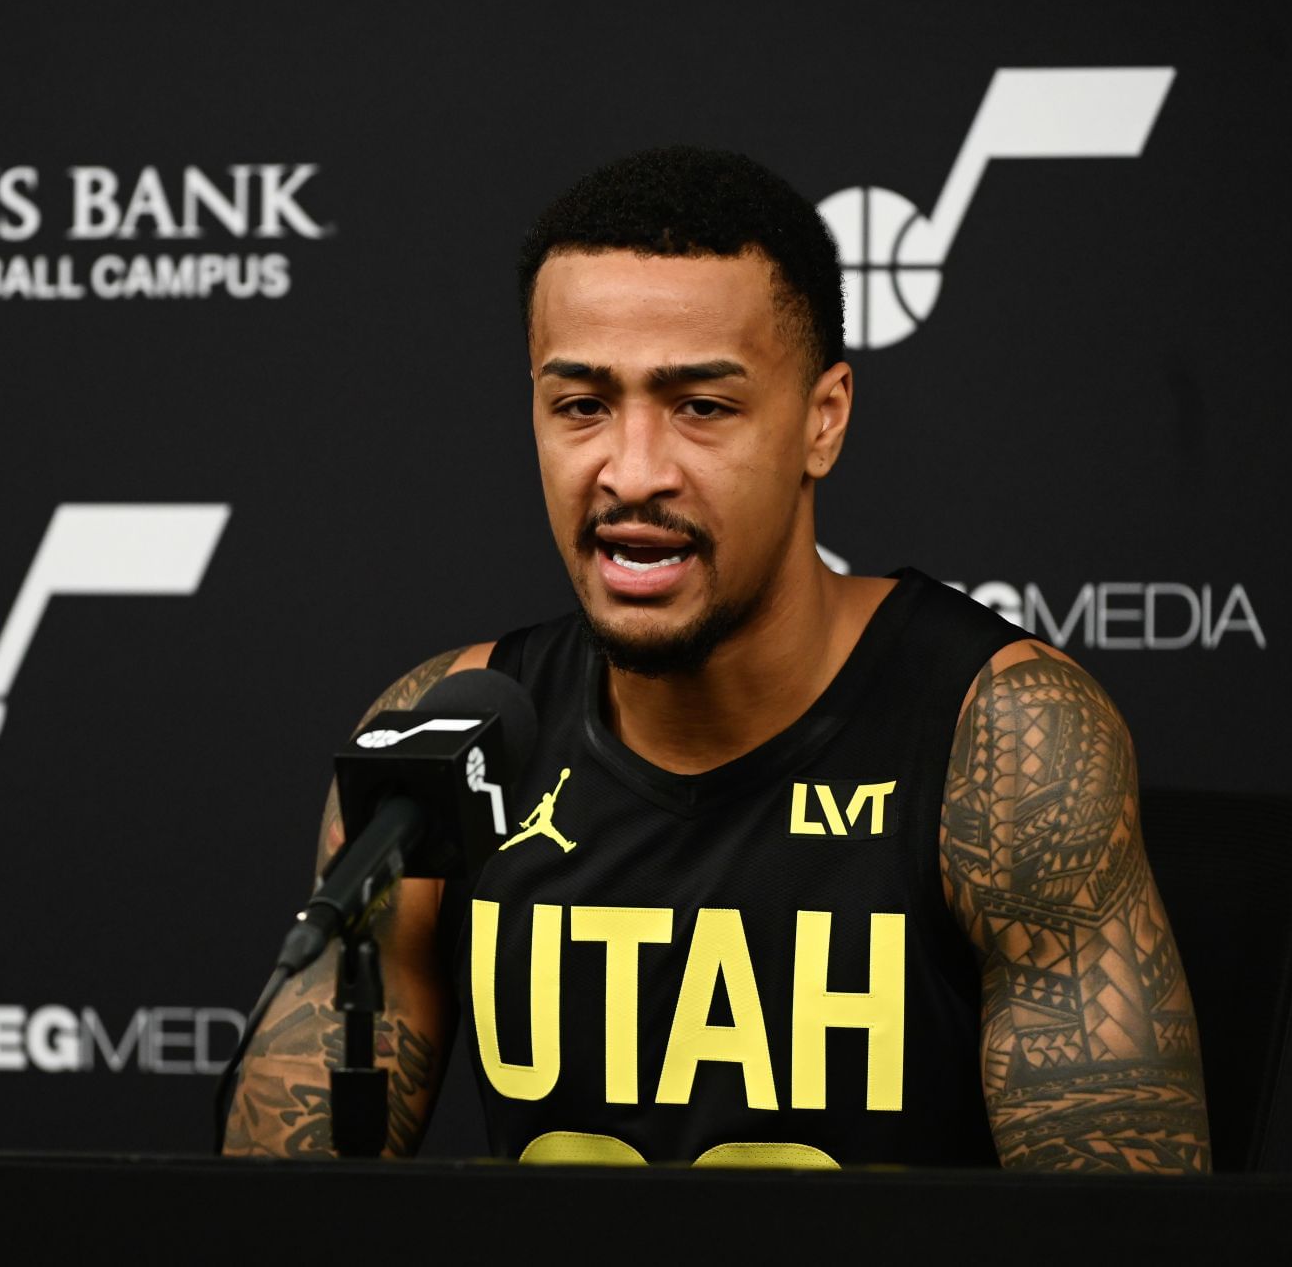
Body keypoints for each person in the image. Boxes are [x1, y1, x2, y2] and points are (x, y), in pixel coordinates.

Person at [221, 146, 1210, 1171]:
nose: (633, 470)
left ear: (821, 420)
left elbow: (1124, 1225)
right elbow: (275, 1210)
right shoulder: (441, 740)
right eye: (581, 404)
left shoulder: (1002, 739)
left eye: (702, 405)